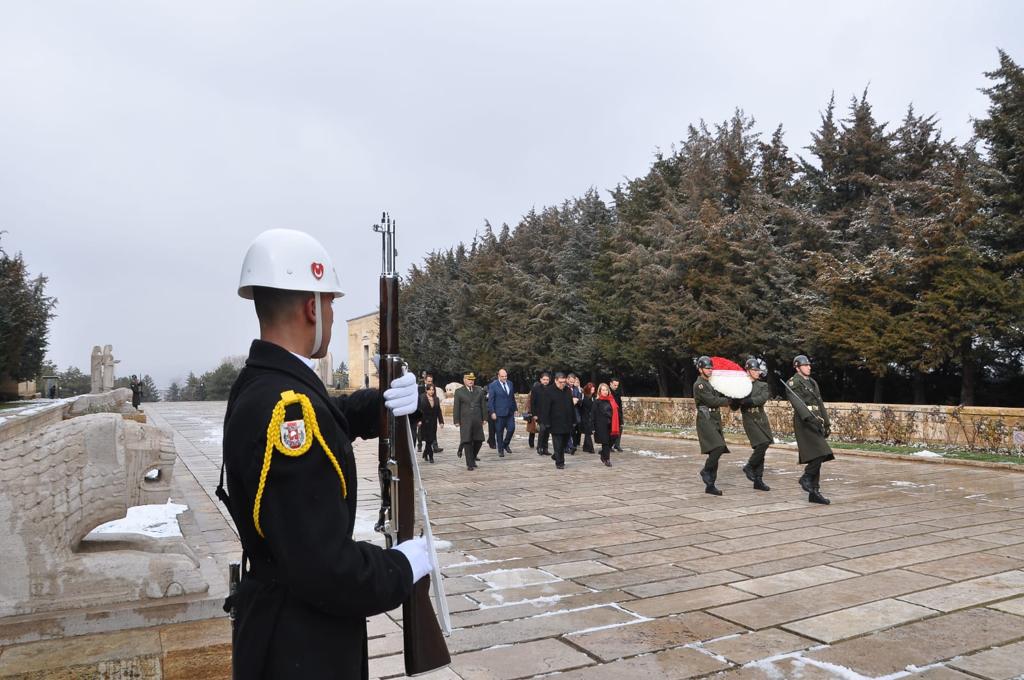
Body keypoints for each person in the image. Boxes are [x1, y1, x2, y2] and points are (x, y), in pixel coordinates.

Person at [220, 228, 433, 679]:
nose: (333, 316)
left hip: (281, 628)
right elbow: (325, 568)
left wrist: (382, 404)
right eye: (331, 303)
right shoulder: (288, 409)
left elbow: (328, 417)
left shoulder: (263, 384)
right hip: (302, 646)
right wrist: (399, 567)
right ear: (312, 308)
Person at [788, 355, 835, 504]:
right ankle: (806, 477)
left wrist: (826, 423)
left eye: (809, 365)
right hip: (805, 422)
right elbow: (798, 404)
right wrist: (810, 418)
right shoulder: (793, 382)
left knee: (817, 454)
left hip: (817, 420)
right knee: (822, 452)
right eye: (805, 365)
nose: (809, 367)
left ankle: (814, 492)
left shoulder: (812, 382)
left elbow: (819, 403)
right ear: (797, 367)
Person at [694, 355, 732, 496]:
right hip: (706, 419)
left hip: (714, 418)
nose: (710, 370)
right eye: (707, 368)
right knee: (718, 446)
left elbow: (718, 396)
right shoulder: (700, 385)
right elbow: (712, 401)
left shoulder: (711, 383)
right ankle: (705, 471)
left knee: (714, 452)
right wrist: (728, 401)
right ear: (700, 369)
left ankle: (710, 485)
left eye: (711, 368)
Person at [736, 357, 772, 491]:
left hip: (761, 419)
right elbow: (734, 406)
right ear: (748, 371)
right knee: (762, 444)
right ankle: (749, 466)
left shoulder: (762, 385)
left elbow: (762, 399)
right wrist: (736, 399)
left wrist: (748, 401)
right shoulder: (741, 386)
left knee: (762, 447)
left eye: (758, 370)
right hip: (749, 419)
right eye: (755, 370)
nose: (758, 372)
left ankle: (758, 480)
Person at [453, 372, 487, 470]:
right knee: (467, 441)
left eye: (472, 379)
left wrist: (485, 418)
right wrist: (456, 420)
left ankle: (472, 457)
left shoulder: (479, 390)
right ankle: (470, 464)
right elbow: (456, 407)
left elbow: (483, 405)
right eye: (469, 379)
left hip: (477, 419)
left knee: (479, 440)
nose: (471, 381)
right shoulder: (459, 392)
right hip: (465, 420)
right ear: (464, 380)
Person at [541, 372, 575, 469]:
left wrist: (574, 420)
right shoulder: (549, 391)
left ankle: (556, 455)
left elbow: (571, 406)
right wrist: (546, 422)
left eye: (564, 382)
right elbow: (545, 408)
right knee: (558, 443)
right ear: (555, 381)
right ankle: (560, 462)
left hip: (567, 421)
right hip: (555, 422)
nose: (562, 384)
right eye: (560, 382)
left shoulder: (568, 390)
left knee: (565, 442)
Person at [487, 368, 518, 457]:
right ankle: (500, 450)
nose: (504, 378)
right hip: (499, 413)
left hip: (510, 412)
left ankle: (505, 444)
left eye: (506, 376)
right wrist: (492, 412)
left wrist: (515, 409)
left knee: (511, 429)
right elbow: (491, 400)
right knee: (499, 432)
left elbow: (512, 397)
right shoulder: (493, 385)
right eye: (502, 376)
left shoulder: (510, 383)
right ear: (498, 376)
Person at [592, 382, 619, 467]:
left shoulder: (612, 400)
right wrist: (592, 427)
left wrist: (620, 422)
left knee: (613, 439)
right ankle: (607, 459)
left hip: (612, 424)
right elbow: (592, 415)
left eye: (606, 390)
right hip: (601, 425)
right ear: (600, 391)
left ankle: (603, 453)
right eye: (603, 390)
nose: (605, 391)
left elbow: (617, 412)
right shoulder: (597, 402)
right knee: (605, 442)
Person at [418, 383, 444, 463]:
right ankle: (431, 456)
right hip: (424, 422)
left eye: (433, 390)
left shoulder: (436, 399)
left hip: (433, 423)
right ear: (426, 390)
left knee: (430, 440)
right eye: (430, 390)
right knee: (428, 439)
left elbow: (439, 411)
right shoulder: (422, 398)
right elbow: (419, 410)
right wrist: (419, 420)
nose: (431, 391)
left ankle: (425, 453)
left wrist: (441, 421)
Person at [529, 372, 552, 455]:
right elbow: (532, 402)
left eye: (547, 380)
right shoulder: (536, 389)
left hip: (549, 414)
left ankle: (545, 448)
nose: (545, 381)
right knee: (542, 430)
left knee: (547, 432)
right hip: (539, 414)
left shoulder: (551, 389)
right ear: (541, 380)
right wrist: (534, 414)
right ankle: (539, 447)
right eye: (544, 379)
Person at [567, 373, 582, 454]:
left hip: (575, 411)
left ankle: (570, 445)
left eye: (573, 382)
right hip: (566, 411)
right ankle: (570, 446)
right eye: (571, 382)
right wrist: (571, 401)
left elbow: (580, 399)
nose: (572, 383)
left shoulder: (576, 389)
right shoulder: (564, 388)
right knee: (568, 429)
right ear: (567, 379)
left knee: (571, 429)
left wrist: (577, 400)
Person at [609, 378, 625, 451]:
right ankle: (609, 445)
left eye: (617, 385)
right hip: (610, 414)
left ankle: (617, 444)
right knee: (610, 430)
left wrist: (621, 417)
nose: (616, 387)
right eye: (614, 385)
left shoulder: (618, 393)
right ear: (610, 384)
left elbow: (619, 405)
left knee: (620, 428)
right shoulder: (607, 392)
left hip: (617, 413)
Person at [580, 382, 596, 453]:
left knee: (588, 432)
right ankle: (590, 448)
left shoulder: (592, 397)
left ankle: (585, 447)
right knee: (588, 432)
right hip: (585, 417)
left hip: (589, 417)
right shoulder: (586, 398)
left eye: (593, 389)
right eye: (592, 390)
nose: (593, 391)